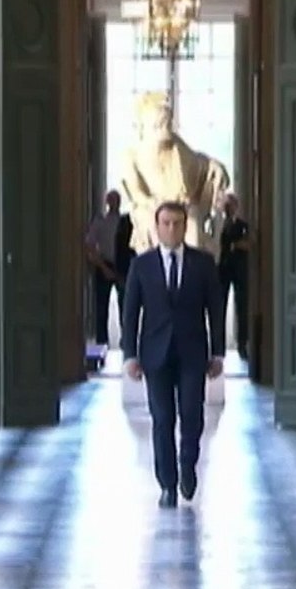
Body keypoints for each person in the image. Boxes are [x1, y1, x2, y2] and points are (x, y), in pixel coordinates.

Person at [121, 201, 225, 509]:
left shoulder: (203, 264)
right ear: (157, 227)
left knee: (192, 415)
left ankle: (187, 466)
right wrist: (129, 355)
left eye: (177, 223)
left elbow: (215, 310)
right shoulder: (142, 265)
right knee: (162, 418)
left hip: (192, 352)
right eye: (166, 223)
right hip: (155, 354)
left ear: (185, 226)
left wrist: (218, 352)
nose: (171, 229)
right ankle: (167, 484)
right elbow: (130, 312)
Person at [86, 190, 127, 346]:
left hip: (123, 266)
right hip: (105, 264)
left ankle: (126, 342)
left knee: (126, 306)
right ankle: (101, 344)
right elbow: (89, 246)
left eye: (117, 199)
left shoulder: (126, 222)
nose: (115, 203)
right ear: (107, 202)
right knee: (101, 308)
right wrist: (103, 267)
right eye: (112, 200)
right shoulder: (100, 222)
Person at [217, 193, 249, 358]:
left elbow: (249, 243)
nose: (228, 208)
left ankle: (242, 345)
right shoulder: (215, 224)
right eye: (226, 205)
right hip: (220, 270)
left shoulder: (242, 225)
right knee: (218, 308)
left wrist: (236, 244)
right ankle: (218, 347)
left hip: (239, 270)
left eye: (231, 205)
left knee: (242, 307)